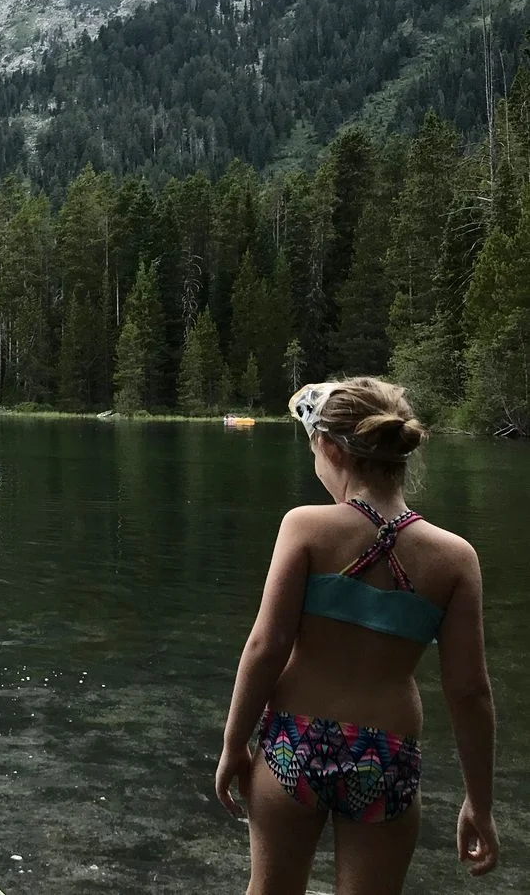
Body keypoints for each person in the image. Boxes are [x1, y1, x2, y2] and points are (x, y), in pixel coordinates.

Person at [216, 377, 498, 894]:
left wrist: (234, 743)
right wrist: (479, 802)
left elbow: (266, 646)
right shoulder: (456, 558)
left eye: (313, 452)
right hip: (386, 756)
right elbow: (469, 693)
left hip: (294, 745)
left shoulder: (305, 527)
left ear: (330, 449)